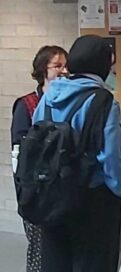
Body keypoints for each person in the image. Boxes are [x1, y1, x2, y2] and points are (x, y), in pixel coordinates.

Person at [32, 35, 121, 272]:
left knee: (56, 263)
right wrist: (119, 189)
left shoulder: (48, 96)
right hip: (93, 200)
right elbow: (110, 156)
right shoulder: (103, 101)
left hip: (52, 197)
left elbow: (35, 143)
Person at [10, 45, 68, 272]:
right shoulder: (26, 105)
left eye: (66, 66)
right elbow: (20, 150)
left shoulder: (69, 101)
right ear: (44, 69)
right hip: (37, 190)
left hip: (64, 188)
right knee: (39, 248)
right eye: (58, 66)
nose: (64, 71)